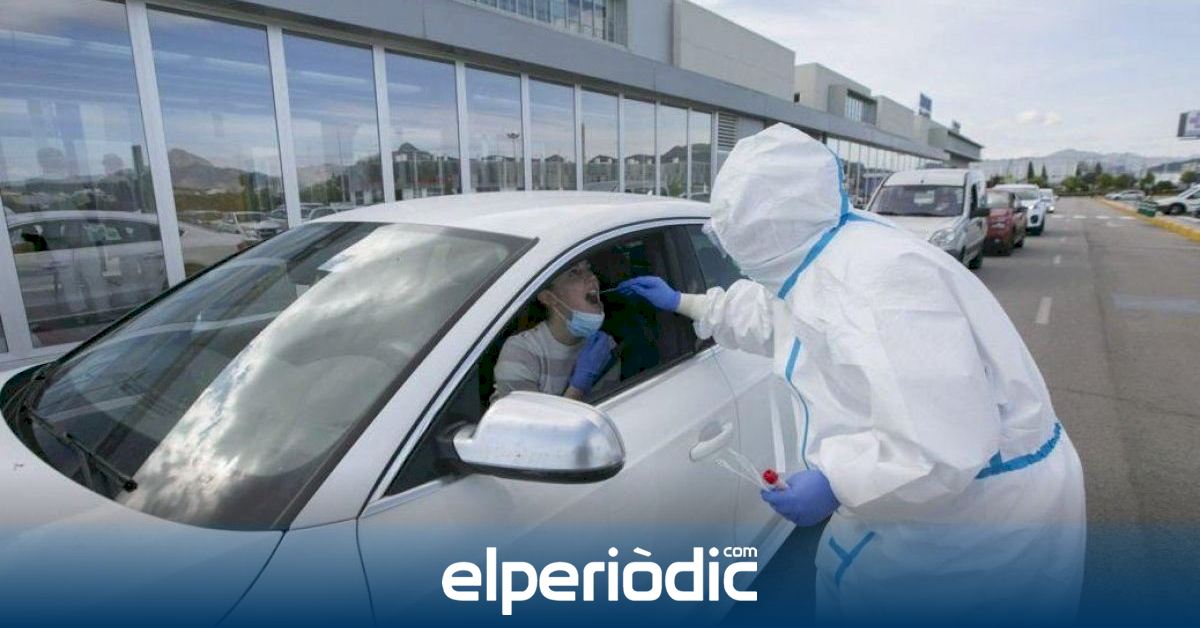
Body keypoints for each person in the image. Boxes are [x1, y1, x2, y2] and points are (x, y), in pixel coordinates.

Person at [617, 124, 1086, 622]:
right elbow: (775, 311)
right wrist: (685, 302)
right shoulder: (821, 250)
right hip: (928, 516)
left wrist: (837, 482)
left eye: (743, 248)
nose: (738, 261)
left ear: (767, 234)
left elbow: (943, 447)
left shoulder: (884, 284)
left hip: (978, 531)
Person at [491, 260, 618, 403]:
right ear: (548, 298)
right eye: (574, 272)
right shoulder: (520, 352)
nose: (591, 277)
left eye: (589, 269)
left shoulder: (604, 347)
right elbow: (529, 418)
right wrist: (578, 388)